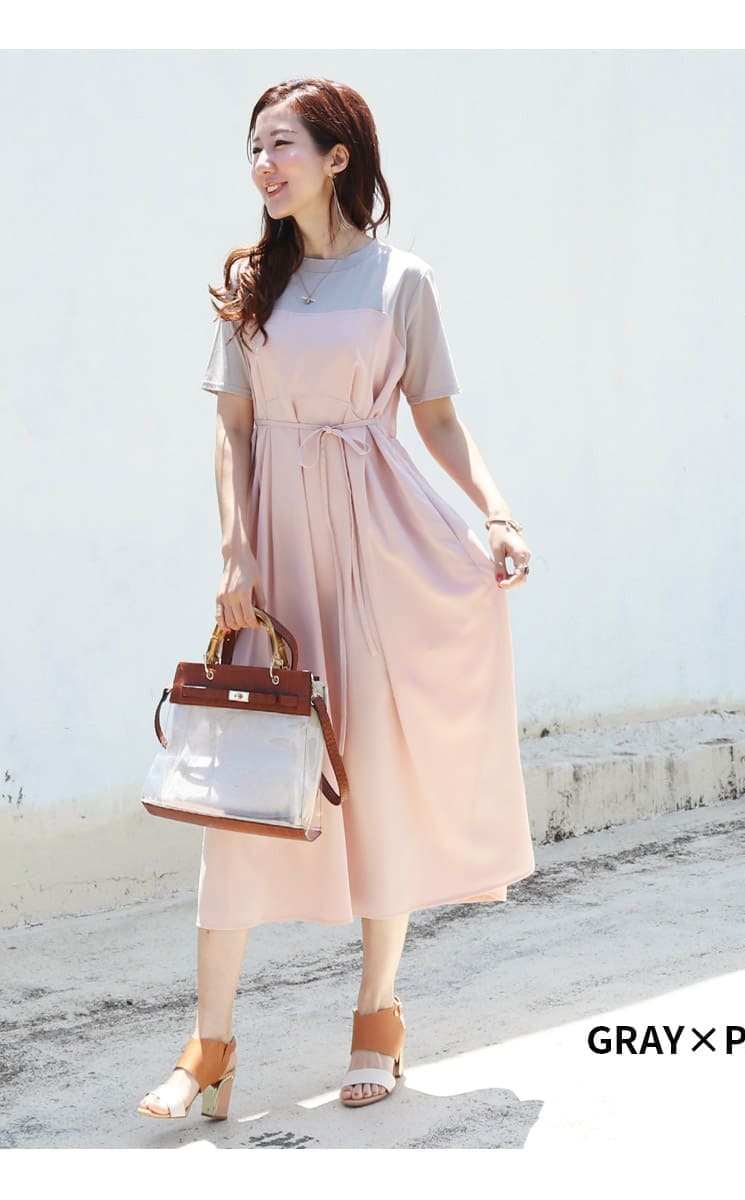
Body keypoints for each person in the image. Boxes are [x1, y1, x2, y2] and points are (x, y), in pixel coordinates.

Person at [137, 74, 535, 1119]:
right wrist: (235, 557)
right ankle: (210, 1042)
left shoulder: (403, 280)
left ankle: (378, 1016)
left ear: (337, 157)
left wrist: (495, 513)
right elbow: (230, 430)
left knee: (376, 781)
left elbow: (436, 417)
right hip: (275, 559)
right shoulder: (249, 281)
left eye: (281, 146)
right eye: (254, 149)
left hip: (380, 548)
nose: (263, 166)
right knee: (241, 792)